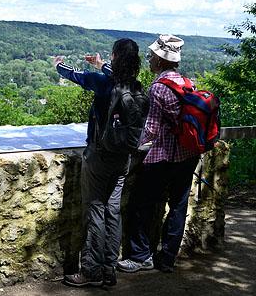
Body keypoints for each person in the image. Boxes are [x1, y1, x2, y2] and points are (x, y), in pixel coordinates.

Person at [53, 38, 141, 287]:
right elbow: (115, 74)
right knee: (113, 212)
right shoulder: (134, 86)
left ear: (114, 56)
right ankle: (110, 269)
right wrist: (103, 64)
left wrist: (59, 65)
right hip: (123, 157)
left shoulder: (103, 83)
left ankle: (91, 270)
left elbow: (77, 76)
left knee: (95, 211)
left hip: (99, 156)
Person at [117, 34, 200, 274]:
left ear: (162, 60)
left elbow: (151, 130)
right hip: (188, 154)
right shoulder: (187, 82)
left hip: (163, 158)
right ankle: (167, 258)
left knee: (139, 205)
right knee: (178, 206)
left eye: (152, 56)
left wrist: (133, 146)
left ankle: (140, 255)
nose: (149, 60)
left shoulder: (158, 88)